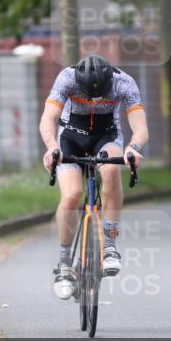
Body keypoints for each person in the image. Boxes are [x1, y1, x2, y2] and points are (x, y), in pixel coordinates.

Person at [39, 55, 148, 300]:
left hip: (106, 135)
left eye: (101, 97)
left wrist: (134, 147)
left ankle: (109, 246)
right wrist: (51, 147)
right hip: (70, 136)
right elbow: (48, 118)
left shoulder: (124, 82)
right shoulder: (66, 78)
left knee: (111, 169)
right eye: (89, 96)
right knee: (72, 195)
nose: (95, 101)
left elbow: (140, 127)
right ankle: (64, 263)